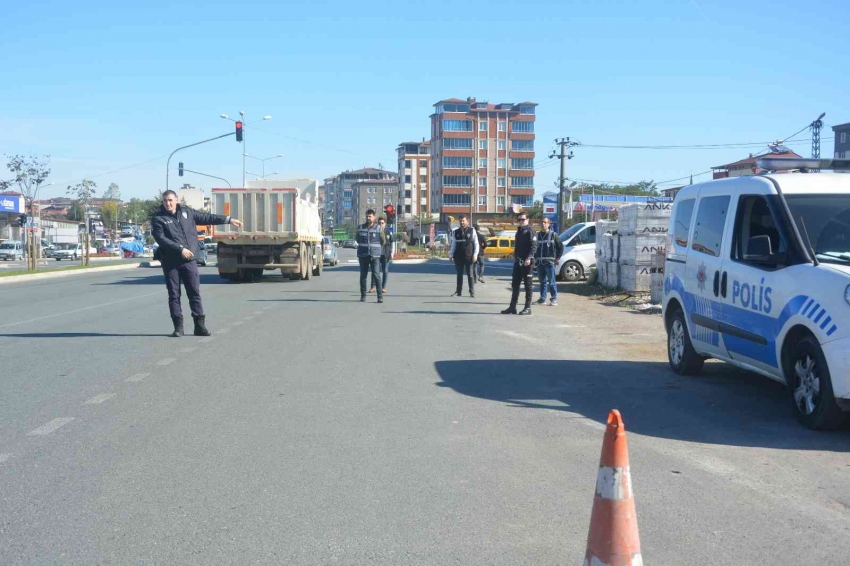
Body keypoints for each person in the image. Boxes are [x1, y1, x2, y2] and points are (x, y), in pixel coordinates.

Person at [151, 190, 242, 337]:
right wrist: (180, 249)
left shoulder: (187, 213)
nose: (167, 203)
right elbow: (161, 239)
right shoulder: (158, 218)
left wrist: (228, 219)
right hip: (171, 262)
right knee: (174, 294)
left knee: (194, 293)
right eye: (165, 201)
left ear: (176, 200)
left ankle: (200, 326)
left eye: (170, 200)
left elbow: (207, 217)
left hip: (190, 261)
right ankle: (178, 328)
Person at [501, 212, 537, 315]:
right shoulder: (519, 231)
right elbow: (517, 246)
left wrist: (529, 258)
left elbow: (534, 246)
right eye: (519, 219)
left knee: (528, 285)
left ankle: (527, 307)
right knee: (515, 284)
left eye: (523, 219)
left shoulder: (531, 231)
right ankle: (512, 307)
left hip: (527, 262)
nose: (521, 221)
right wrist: (515, 255)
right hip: (519, 261)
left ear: (528, 220)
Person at [535, 217, 564, 306]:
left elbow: (561, 247)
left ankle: (553, 299)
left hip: (549, 263)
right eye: (542, 222)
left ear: (549, 224)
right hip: (540, 263)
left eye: (545, 222)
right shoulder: (537, 235)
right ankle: (542, 299)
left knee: (551, 282)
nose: (543, 224)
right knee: (542, 282)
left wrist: (558, 258)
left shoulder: (553, 235)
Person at [449, 215, 479, 298]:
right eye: (460, 221)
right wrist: (451, 255)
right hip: (458, 257)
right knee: (459, 275)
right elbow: (453, 244)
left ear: (467, 221)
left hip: (469, 256)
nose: (462, 222)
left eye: (463, 221)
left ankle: (472, 292)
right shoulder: (456, 232)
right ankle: (459, 291)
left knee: (470, 274)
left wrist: (475, 255)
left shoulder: (472, 231)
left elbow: (476, 244)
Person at [357, 209, 384, 303]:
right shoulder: (360, 227)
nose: (368, 218)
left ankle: (380, 297)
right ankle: (363, 296)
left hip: (375, 255)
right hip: (363, 255)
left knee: (376, 275)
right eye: (367, 216)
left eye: (370, 216)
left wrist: (374, 247)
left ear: (374, 217)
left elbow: (383, 241)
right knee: (363, 276)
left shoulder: (378, 228)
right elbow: (357, 239)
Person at [369, 217, 391, 295]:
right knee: (375, 271)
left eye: (382, 223)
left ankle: (383, 287)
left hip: (385, 255)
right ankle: (373, 287)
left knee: (385, 271)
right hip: (376, 254)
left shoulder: (388, 232)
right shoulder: (374, 232)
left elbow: (390, 243)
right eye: (379, 223)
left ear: (385, 224)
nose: (381, 224)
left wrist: (391, 254)